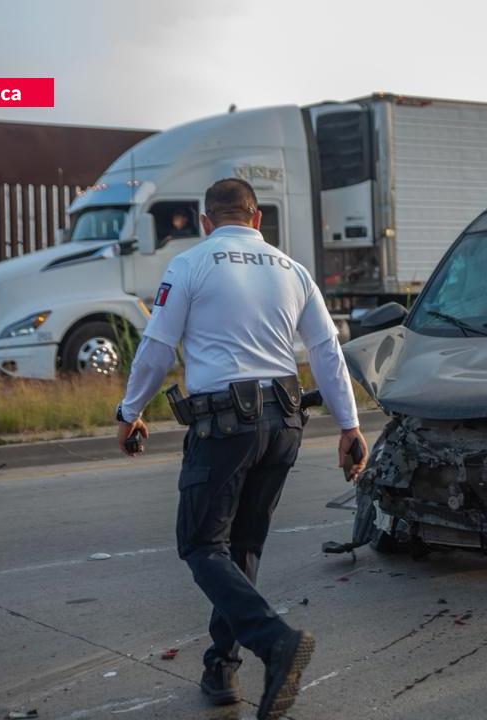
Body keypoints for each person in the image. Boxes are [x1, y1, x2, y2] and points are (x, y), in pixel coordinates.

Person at [114, 178, 368, 720]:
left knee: (202, 544)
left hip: (226, 428)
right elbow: (326, 350)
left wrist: (129, 410)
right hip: (286, 424)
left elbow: (158, 347)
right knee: (244, 545)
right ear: (257, 220)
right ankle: (221, 668)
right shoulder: (292, 270)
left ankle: (274, 641)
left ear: (208, 221)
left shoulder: (191, 264)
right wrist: (349, 426)